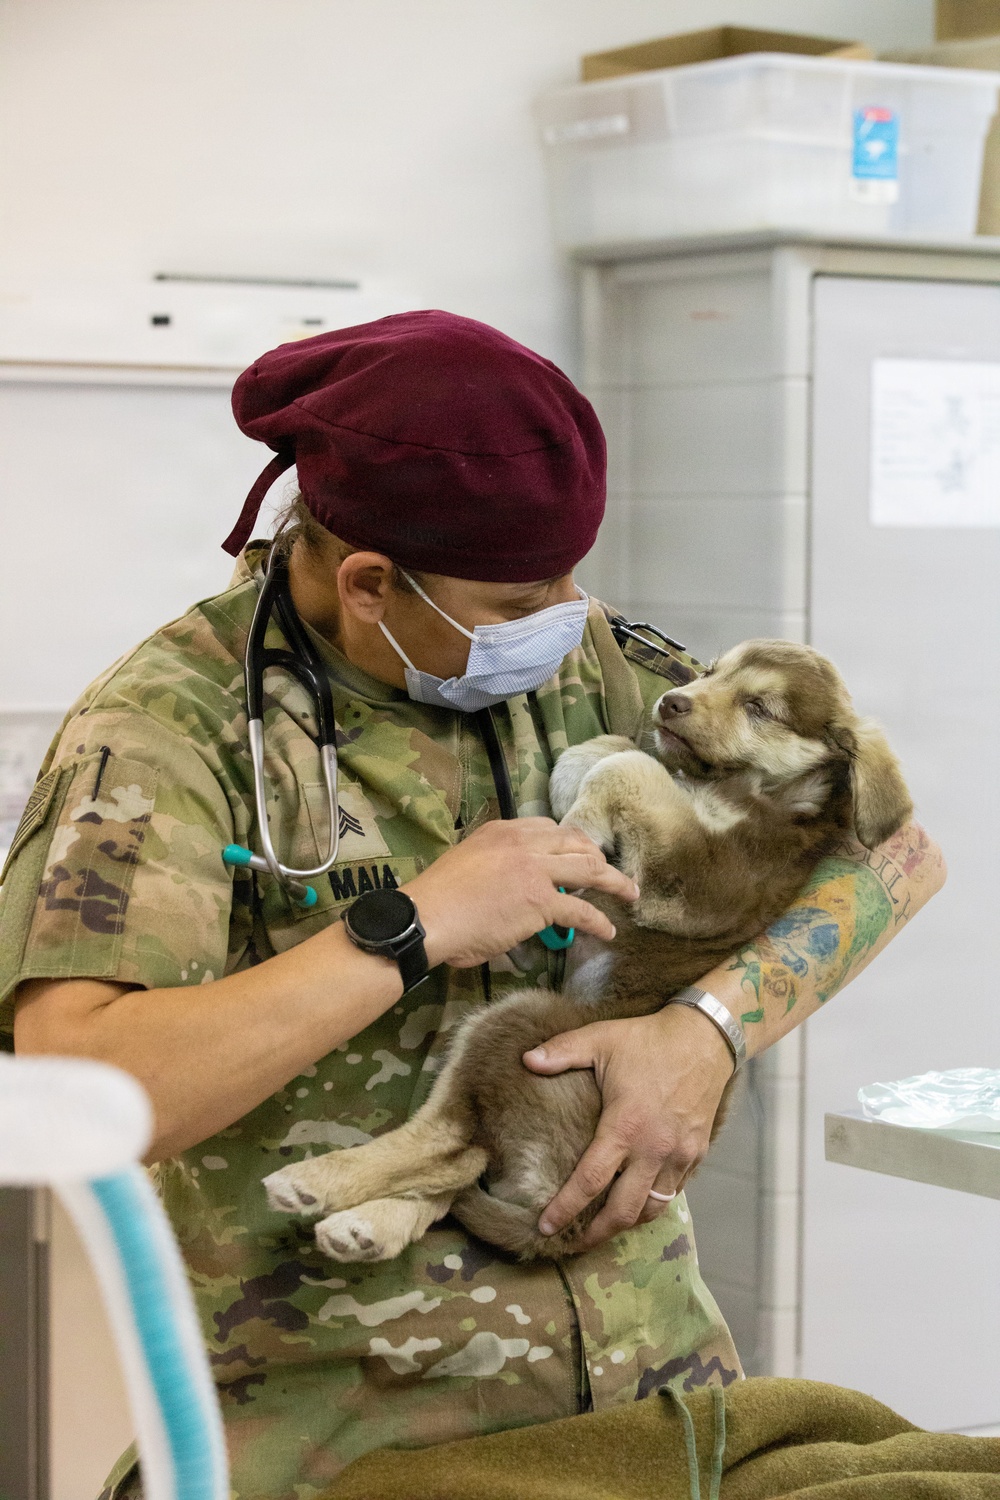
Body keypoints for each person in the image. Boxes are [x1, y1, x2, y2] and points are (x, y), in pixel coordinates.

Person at [0, 311, 944, 1500]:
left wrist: (703, 1031)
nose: (560, 625)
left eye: (568, 583)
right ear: (368, 580)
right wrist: (409, 927)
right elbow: (82, 1090)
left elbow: (898, 853)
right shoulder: (167, 729)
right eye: (516, 604)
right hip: (351, 1435)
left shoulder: (583, 650)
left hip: (656, 1402)